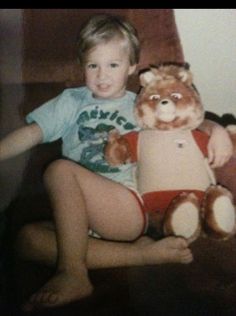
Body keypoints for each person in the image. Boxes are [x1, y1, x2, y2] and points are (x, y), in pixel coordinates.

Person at [0, 14, 233, 311]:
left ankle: (72, 273)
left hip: (126, 207)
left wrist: (216, 131)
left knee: (59, 170)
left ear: (132, 67)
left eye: (113, 65)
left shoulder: (140, 105)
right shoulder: (71, 101)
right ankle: (141, 255)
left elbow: (186, 121)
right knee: (25, 240)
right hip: (80, 220)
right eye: (92, 65)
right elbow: (31, 134)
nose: (102, 75)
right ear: (82, 66)